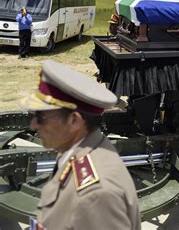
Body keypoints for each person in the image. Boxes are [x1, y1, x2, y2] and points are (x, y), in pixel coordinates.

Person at [22, 60, 141, 230]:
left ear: (74, 121)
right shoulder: (73, 150)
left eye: (41, 118)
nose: (33, 125)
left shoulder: (96, 194)